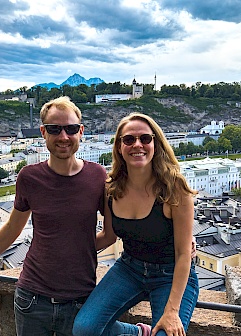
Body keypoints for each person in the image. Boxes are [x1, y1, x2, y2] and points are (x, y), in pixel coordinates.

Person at [0, 96, 108, 336]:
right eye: (55, 129)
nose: (64, 137)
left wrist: (78, 247)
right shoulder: (29, 177)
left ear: (81, 132)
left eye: (70, 129)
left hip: (80, 297)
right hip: (32, 297)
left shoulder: (98, 176)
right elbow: (12, 229)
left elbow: (113, 232)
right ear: (43, 132)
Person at [73, 112, 199, 336]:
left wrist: (172, 311)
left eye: (145, 139)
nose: (137, 145)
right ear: (119, 147)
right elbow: (109, 236)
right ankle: (138, 332)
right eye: (129, 139)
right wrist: (63, 252)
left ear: (155, 143)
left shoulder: (174, 188)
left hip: (170, 273)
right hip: (130, 268)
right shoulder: (111, 188)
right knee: (84, 329)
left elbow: (183, 255)